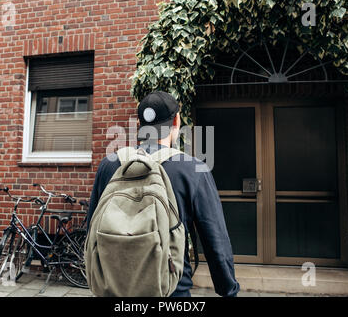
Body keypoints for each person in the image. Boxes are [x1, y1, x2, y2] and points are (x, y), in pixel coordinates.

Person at [87, 90, 240, 297]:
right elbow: (216, 243)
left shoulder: (109, 165)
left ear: (140, 124)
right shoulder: (193, 169)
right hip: (171, 291)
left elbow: (91, 229)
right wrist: (228, 290)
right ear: (176, 121)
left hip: (113, 289)